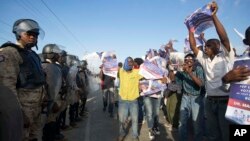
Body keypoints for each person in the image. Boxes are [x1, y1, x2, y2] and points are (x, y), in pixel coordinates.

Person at [188, 2, 234, 141]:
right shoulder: (204, 59)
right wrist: (190, 29)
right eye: (205, 46)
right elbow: (193, 46)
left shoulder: (226, 56)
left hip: (225, 102)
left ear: (217, 47)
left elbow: (224, 38)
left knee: (226, 134)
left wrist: (214, 16)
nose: (205, 47)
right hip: (209, 101)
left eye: (208, 45)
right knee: (213, 135)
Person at [0, 19, 46, 141]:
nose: (33, 37)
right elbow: (7, 87)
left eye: (35, 35)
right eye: (29, 34)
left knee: (34, 136)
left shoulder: (33, 55)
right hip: (22, 109)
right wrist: (17, 114)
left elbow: (40, 80)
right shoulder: (10, 52)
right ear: (19, 34)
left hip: (36, 107)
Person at [175, 53, 205, 141]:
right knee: (182, 122)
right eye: (186, 59)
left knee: (196, 123)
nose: (188, 61)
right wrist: (172, 69)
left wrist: (190, 73)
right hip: (185, 96)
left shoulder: (198, 69)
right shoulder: (182, 70)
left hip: (196, 97)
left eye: (190, 59)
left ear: (194, 61)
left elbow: (200, 84)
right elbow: (175, 81)